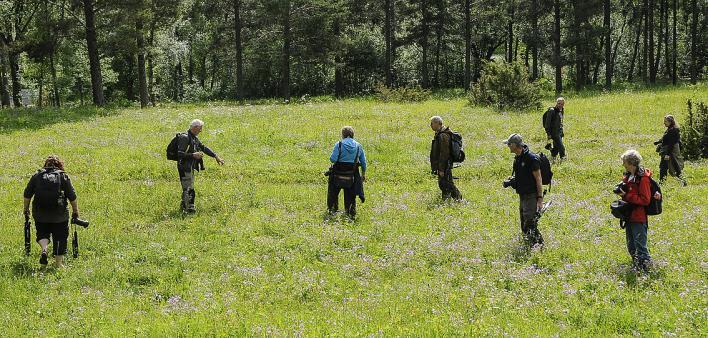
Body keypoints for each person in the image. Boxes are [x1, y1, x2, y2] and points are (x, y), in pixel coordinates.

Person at [23, 155, 79, 268]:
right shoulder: (63, 176)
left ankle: (44, 249)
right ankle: (58, 264)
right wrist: (75, 210)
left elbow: (27, 194)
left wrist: (26, 209)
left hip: (40, 213)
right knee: (60, 236)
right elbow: (72, 196)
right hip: (59, 215)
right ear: (59, 165)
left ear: (46, 164)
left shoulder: (37, 175)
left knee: (42, 233)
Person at [614, 149, 654, 272]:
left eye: (624, 162)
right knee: (631, 245)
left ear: (631, 163)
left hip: (638, 217)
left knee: (640, 246)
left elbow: (645, 200)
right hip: (629, 216)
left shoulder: (643, 179)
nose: (623, 164)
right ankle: (637, 267)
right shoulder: (629, 176)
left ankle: (646, 269)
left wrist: (625, 195)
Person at [503, 134, 544, 246]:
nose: (508, 146)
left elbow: (538, 179)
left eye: (509, 144)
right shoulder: (518, 158)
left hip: (531, 195)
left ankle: (540, 246)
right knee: (524, 223)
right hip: (522, 195)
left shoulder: (531, 159)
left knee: (530, 223)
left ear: (515, 145)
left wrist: (539, 199)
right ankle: (529, 246)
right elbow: (522, 176)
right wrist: (511, 181)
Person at [177, 119, 225, 213]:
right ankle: (188, 208)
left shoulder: (193, 138)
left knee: (189, 187)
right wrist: (193, 155)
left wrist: (216, 156)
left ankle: (186, 206)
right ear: (195, 128)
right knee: (188, 188)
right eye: (200, 128)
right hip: (184, 167)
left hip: (190, 167)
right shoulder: (185, 138)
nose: (201, 131)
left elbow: (203, 147)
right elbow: (179, 154)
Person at [327, 126, 366, 219]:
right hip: (351, 175)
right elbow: (363, 163)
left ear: (343, 135)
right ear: (352, 134)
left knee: (333, 192)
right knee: (350, 194)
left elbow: (332, 159)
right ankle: (350, 212)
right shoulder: (358, 146)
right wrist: (363, 174)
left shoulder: (339, 144)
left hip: (337, 173)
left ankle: (332, 210)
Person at [429, 116, 462, 200]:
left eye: (432, 123)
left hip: (445, 165)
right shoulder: (440, 134)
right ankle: (446, 200)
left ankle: (459, 199)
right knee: (443, 184)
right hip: (444, 165)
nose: (431, 125)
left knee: (448, 183)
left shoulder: (443, 135)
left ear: (438, 123)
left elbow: (444, 154)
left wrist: (441, 169)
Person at [654, 115, 687, 186]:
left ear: (670, 122)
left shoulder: (673, 130)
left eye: (665, 121)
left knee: (674, 167)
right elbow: (666, 139)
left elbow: (671, 144)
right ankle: (662, 183)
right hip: (667, 151)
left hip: (670, 152)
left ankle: (683, 182)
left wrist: (667, 155)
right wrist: (658, 142)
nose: (664, 123)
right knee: (663, 167)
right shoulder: (670, 129)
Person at [543, 97, 566, 163]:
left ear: (563, 104)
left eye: (562, 104)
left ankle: (553, 156)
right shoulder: (551, 111)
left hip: (559, 131)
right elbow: (547, 124)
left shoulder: (561, 110)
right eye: (559, 103)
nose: (560, 105)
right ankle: (563, 158)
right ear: (556, 103)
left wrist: (561, 130)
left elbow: (560, 121)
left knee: (556, 148)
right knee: (561, 147)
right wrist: (548, 134)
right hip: (554, 132)